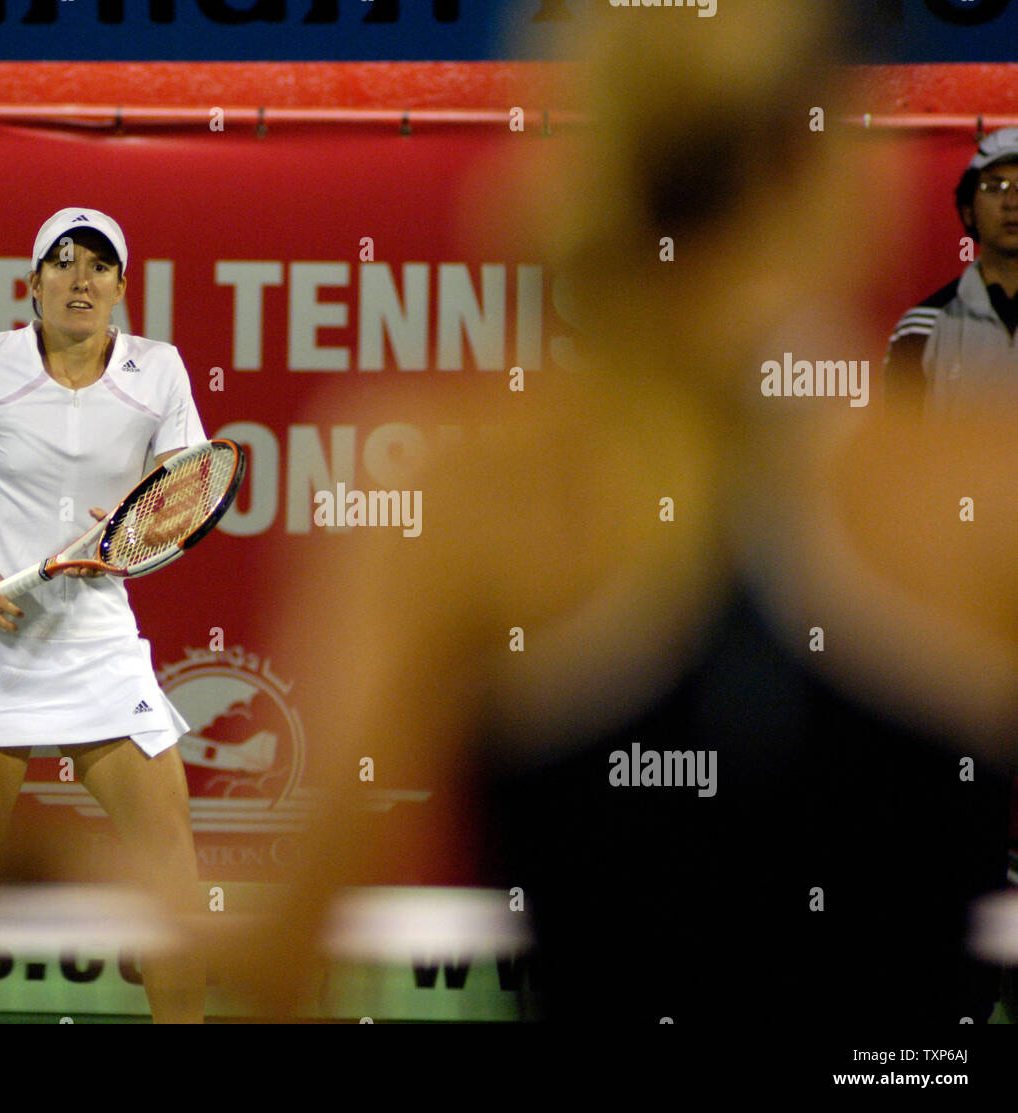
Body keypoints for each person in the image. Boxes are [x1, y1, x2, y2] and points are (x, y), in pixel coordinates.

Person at [218, 1, 1016, 1028]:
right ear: (831, 166)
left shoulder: (462, 474)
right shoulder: (985, 482)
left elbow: (278, 952)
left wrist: (58, 863)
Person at [0, 208, 206, 1024]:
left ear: (122, 289)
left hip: (98, 643)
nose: (81, 279)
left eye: (100, 266)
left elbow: (183, 495)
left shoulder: (158, 370)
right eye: (63, 264)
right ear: (32, 285)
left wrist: (135, 523)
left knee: (171, 874)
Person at [885, 127, 1018, 412]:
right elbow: (898, 448)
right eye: (995, 188)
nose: (1012, 203)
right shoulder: (921, 327)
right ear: (969, 210)